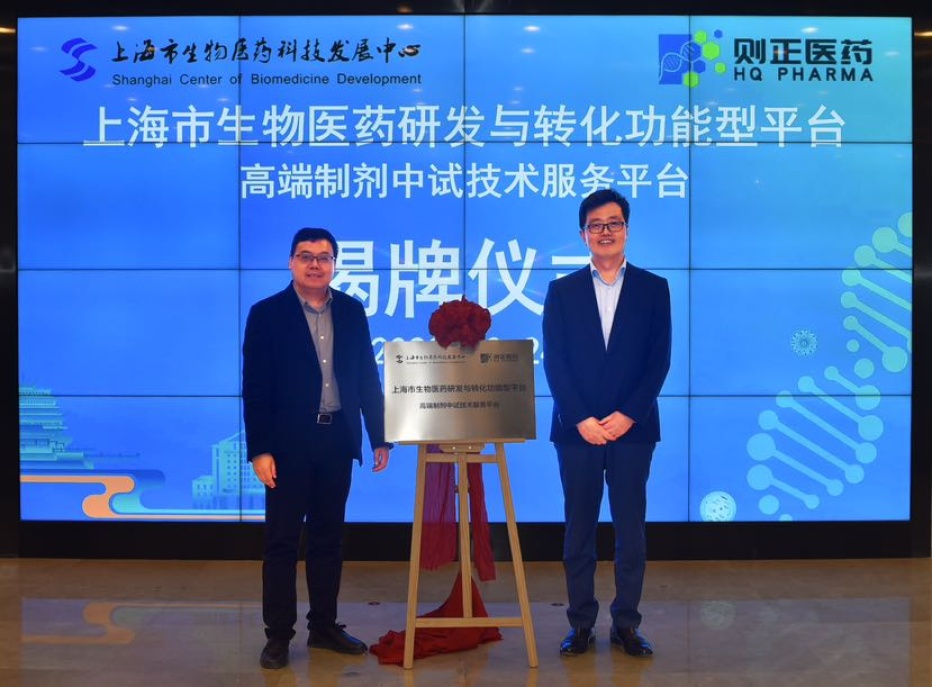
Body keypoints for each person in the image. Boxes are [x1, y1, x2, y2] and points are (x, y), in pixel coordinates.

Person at [242, 227, 392, 670]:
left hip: (335, 440)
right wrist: (260, 449)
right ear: (291, 262)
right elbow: (256, 388)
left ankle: (324, 626)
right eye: (305, 256)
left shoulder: (351, 310)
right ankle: (278, 636)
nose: (315, 264)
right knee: (282, 544)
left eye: (324, 257)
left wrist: (379, 435)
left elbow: (366, 376)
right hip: (287, 445)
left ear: (334, 265)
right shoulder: (266, 314)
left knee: (328, 539)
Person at [542, 188, 671, 658]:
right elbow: (555, 361)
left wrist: (629, 414)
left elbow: (658, 360)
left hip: (633, 431)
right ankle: (581, 624)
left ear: (627, 230)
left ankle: (626, 624)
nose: (605, 232)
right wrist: (580, 418)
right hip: (577, 432)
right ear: (583, 235)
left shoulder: (654, 288)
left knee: (630, 530)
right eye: (596, 225)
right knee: (578, 530)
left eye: (614, 223)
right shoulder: (562, 291)